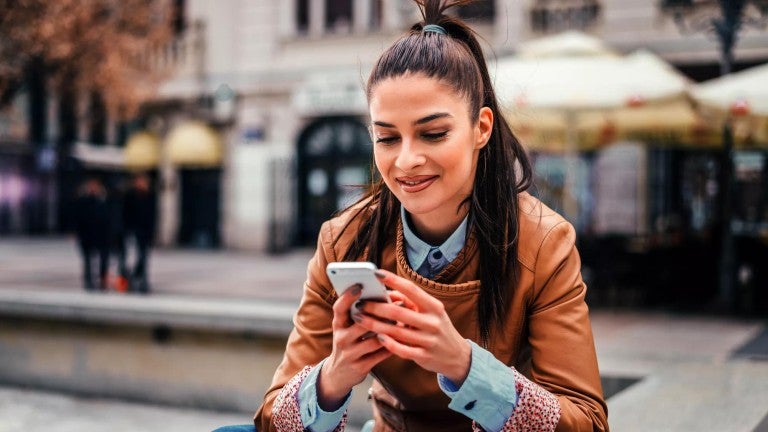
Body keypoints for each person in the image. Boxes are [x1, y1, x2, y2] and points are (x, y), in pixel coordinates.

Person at [220, 1, 608, 430]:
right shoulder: (343, 238)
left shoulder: (544, 241)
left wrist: (464, 365)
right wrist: (335, 375)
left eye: (433, 133)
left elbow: (588, 422)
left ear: (481, 128)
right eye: (386, 138)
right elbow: (271, 418)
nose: (406, 161)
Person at [74, 176, 110, 291]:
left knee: (103, 259)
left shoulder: (105, 199)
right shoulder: (83, 200)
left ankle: (102, 280)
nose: (92, 188)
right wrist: (77, 232)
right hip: (87, 235)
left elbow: (110, 217)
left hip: (103, 235)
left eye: (95, 185)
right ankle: (88, 280)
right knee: (87, 259)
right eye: (91, 185)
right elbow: (77, 217)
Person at [122, 172, 157, 294]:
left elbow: (153, 215)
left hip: (146, 232)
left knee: (144, 258)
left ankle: (140, 280)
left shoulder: (150, 195)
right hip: (134, 231)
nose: (141, 184)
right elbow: (125, 214)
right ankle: (139, 281)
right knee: (139, 257)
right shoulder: (130, 195)